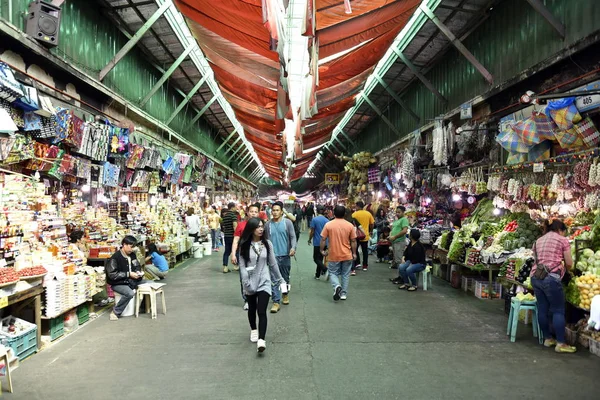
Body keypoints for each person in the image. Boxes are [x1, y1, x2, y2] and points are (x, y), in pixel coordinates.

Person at [239, 218, 285, 353]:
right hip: (249, 281)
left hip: (264, 281)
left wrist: (280, 279)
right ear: (251, 229)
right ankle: (254, 329)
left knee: (261, 311)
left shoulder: (267, 244)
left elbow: (273, 263)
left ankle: (261, 339)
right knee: (252, 309)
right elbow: (242, 265)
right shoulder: (244, 245)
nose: (261, 229)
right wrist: (245, 281)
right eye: (258, 227)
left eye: (262, 226)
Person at [530, 219, 576, 353]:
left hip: (536, 277)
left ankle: (548, 339)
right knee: (558, 310)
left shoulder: (538, 240)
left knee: (543, 308)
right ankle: (561, 343)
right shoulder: (562, 240)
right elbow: (569, 263)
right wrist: (567, 268)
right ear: (561, 230)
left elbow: (536, 260)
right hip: (551, 278)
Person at [264, 201, 297, 313]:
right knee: (274, 279)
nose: (275, 212)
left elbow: (293, 237)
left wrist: (293, 248)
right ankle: (276, 302)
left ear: (282, 211)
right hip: (272, 256)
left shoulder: (287, 223)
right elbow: (265, 240)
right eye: (273, 210)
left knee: (285, 278)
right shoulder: (267, 225)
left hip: (285, 255)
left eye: (277, 210)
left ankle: (285, 294)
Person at [320, 205, 357, 301]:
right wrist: (354, 253)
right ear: (344, 214)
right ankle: (343, 294)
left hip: (333, 254)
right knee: (345, 274)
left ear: (334, 213)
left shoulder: (329, 225)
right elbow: (353, 241)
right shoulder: (350, 226)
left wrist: (322, 250)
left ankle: (336, 286)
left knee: (333, 273)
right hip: (347, 254)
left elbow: (323, 239)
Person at [106, 236, 147, 321]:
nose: (132, 249)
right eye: (131, 247)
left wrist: (138, 273)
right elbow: (112, 274)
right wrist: (128, 274)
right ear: (124, 245)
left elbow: (137, 265)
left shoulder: (132, 255)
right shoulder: (115, 257)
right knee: (130, 293)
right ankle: (115, 312)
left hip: (131, 281)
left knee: (149, 284)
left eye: (133, 247)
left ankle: (143, 308)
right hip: (118, 283)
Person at [231, 203, 261, 310]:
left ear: (258, 213)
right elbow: (236, 240)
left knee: (258, 277)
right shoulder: (241, 225)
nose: (253, 213)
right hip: (243, 255)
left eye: (255, 212)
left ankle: (256, 298)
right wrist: (233, 253)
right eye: (251, 211)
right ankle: (247, 300)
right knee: (244, 278)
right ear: (248, 212)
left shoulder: (261, 225)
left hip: (258, 255)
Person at [352, 201, 374, 271]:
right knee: (365, 251)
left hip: (356, 235)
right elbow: (372, 223)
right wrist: (371, 231)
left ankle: (357, 263)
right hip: (365, 235)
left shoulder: (354, 214)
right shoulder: (368, 214)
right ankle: (365, 265)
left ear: (358, 206)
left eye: (356, 206)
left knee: (355, 250)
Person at [308, 205, 329, 280]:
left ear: (317, 210)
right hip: (325, 242)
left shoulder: (315, 220)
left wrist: (309, 239)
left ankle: (325, 269)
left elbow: (312, 231)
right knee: (320, 258)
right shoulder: (327, 220)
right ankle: (317, 275)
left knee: (316, 259)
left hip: (317, 242)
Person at [220, 202, 239, 273]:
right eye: (235, 207)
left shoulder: (225, 216)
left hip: (226, 236)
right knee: (236, 250)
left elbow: (224, 227)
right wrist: (237, 235)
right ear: (232, 207)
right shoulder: (233, 216)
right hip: (233, 236)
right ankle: (236, 265)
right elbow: (235, 226)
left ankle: (225, 267)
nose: (236, 208)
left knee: (227, 252)